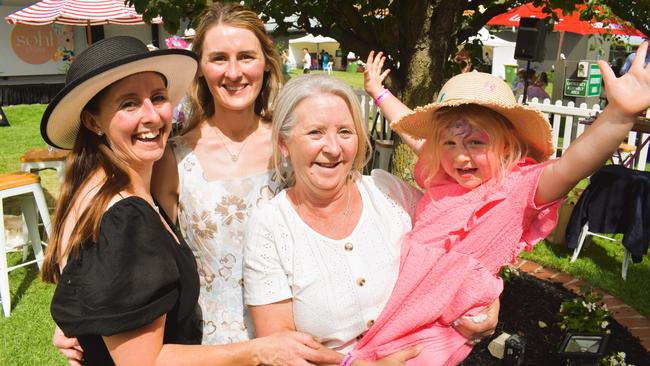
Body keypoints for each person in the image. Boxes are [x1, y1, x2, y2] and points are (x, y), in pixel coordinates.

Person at [51, 4, 341, 365]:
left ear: (266, 62)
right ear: (201, 69)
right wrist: (87, 318)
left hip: (293, 336)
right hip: (207, 346)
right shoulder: (168, 158)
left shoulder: (294, 146)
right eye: (219, 58)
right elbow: (121, 251)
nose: (233, 72)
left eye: (246, 56)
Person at [343, 45, 650, 365]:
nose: (460, 156)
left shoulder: (515, 189)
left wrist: (619, 115)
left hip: (436, 327)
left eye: (476, 142)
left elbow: (573, 165)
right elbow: (411, 131)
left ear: (507, 145)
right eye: (450, 142)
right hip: (398, 301)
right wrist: (378, 92)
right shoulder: (443, 174)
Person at [243, 74, 499, 364]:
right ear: (284, 144)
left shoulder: (388, 193)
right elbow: (280, 347)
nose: (333, 148)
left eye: (345, 132)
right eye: (315, 133)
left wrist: (490, 297)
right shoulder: (270, 227)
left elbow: (465, 241)